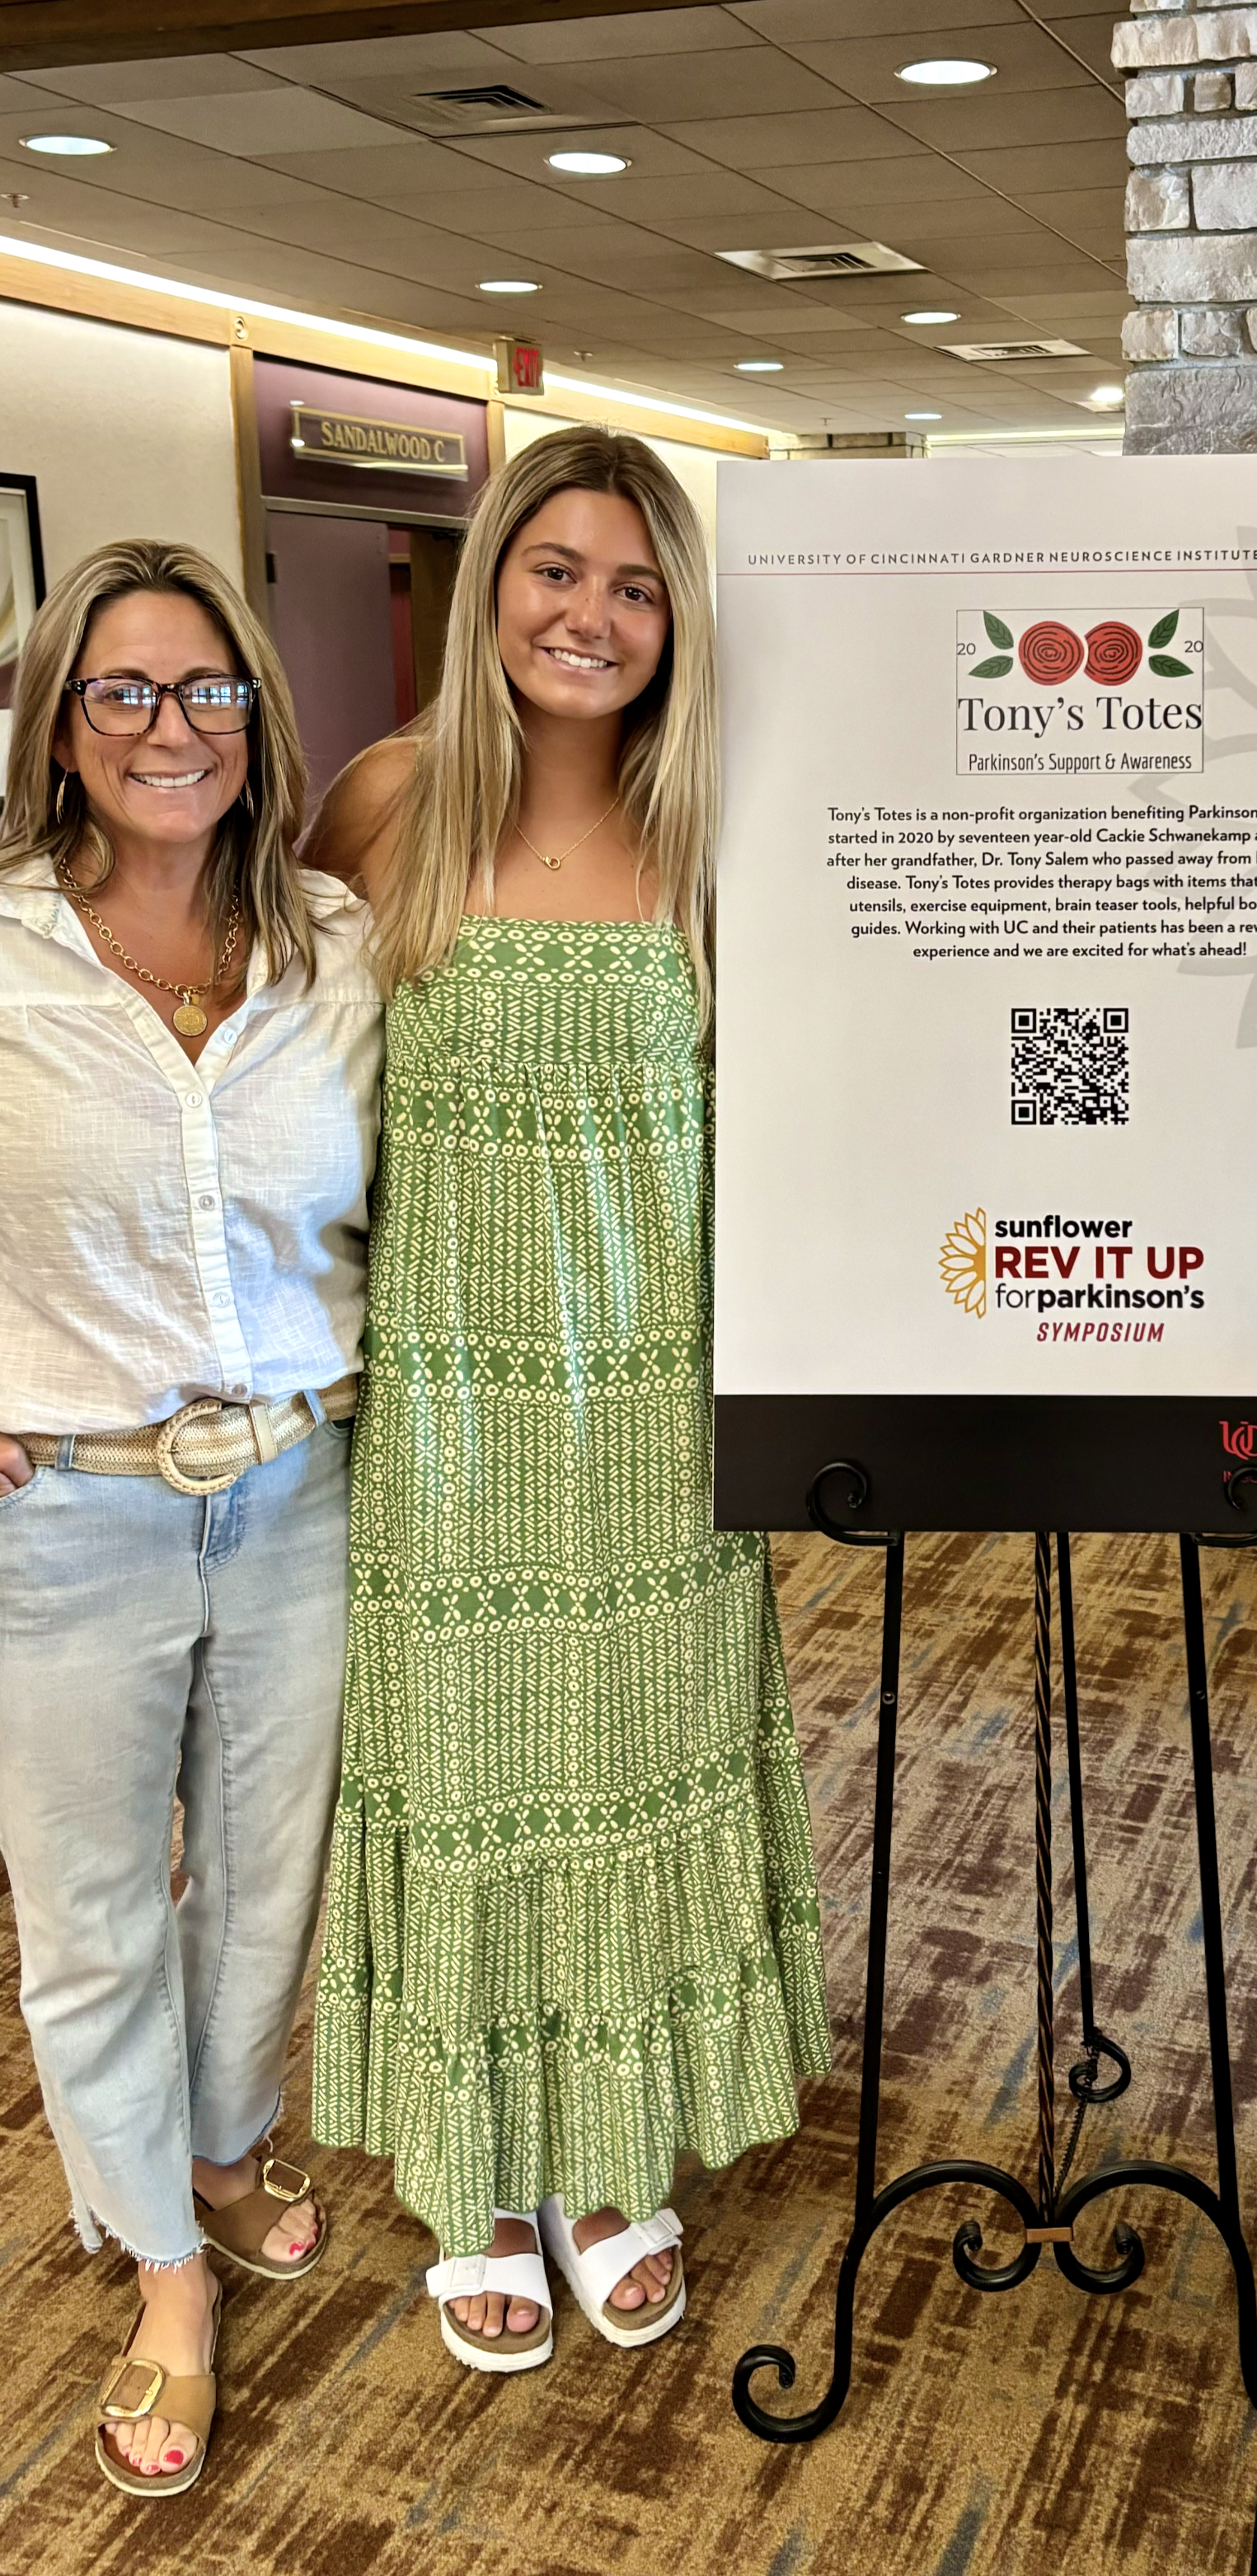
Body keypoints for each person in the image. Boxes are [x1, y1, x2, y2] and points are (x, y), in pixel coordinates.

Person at [309, 425, 829, 2373]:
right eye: (555, 569)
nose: (591, 615)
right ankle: (471, 2171)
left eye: (632, 583)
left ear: (677, 617)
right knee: (459, 1780)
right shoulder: (383, 806)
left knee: (628, 1766)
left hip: (657, 1416)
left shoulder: (723, 834)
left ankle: (605, 2164)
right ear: (489, 591)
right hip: (442, 1416)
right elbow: (273, 1101)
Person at [0, 539, 382, 2495]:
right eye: (126, 695)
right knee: (86, 1920)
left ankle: (225, 2154)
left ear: (258, 719)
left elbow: (405, 1207)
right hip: (64, 1510)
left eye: (207, 692)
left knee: (261, 1883)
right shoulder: (1, 946)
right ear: (59, 729)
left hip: (306, 1483)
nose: (171, 728)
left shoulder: (332, 941)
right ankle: (161, 2261)